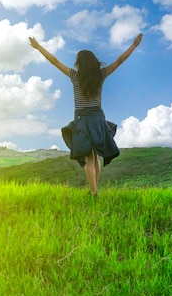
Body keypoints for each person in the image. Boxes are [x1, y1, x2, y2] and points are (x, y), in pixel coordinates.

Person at [29, 33, 143, 196]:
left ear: (79, 63)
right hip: (97, 118)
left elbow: (54, 61)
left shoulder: (75, 76)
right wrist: (134, 45)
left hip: (82, 118)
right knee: (95, 157)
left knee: (89, 159)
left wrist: (39, 47)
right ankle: (95, 190)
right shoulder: (101, 75)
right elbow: (119, 61)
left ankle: (94, 192)